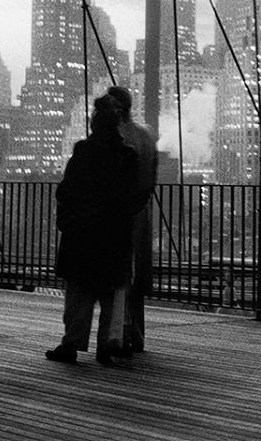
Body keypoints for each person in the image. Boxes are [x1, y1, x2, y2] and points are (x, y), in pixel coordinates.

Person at [46, 94, 138, 366]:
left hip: (83, 233)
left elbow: (68, 189)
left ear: (95, 122)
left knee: (79, 292)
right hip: (115, 234)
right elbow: (131, 197)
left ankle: (71, 344)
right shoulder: (128, 156)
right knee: (110, 293)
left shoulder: (84, 151)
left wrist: (68, 217)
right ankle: (106, 346)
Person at [107, 85, 158, 354]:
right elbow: (152, 176)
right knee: (136, 277)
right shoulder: (147, 136)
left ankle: (115, 336)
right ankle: (135, 336)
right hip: (142, 211)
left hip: (118, 214)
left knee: (117, 274)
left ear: (117, 108)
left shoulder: (116, 136)